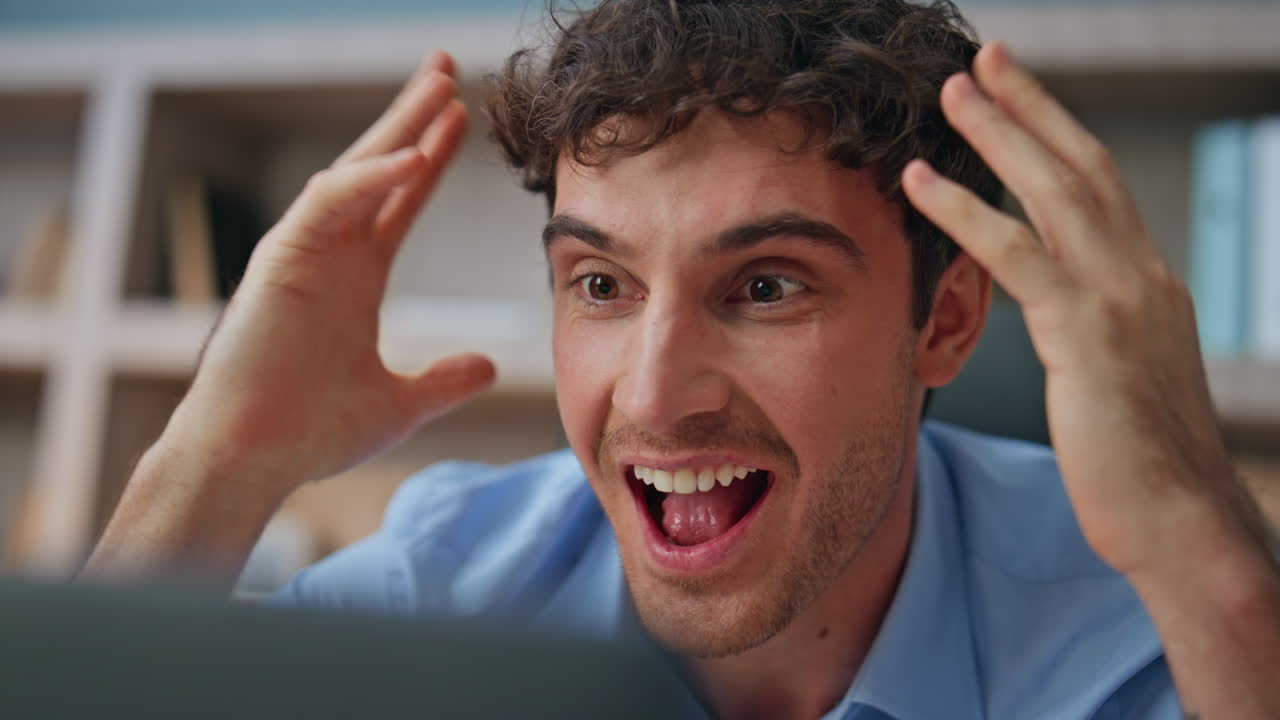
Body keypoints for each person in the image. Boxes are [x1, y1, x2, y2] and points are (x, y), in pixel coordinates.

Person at [83, 1, 1280, 718]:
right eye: (600, 286)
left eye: (763, 287)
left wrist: (1202, 553)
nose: (651, 397)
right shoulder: (446, 592)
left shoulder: (1148, 633)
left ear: (945, 323)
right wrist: (212, 460)